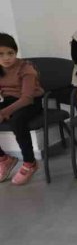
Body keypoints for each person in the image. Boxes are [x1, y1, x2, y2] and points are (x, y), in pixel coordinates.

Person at [0, 33, 44, 185]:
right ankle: (4, 159)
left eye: (10, 53)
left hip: (31, 102)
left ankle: (30, 162)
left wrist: (5, 113)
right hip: (10, 100)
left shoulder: (26, 68)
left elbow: (27, 98)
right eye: (0, 54)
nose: (6, 58)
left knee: (17, 121)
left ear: (16, 52)